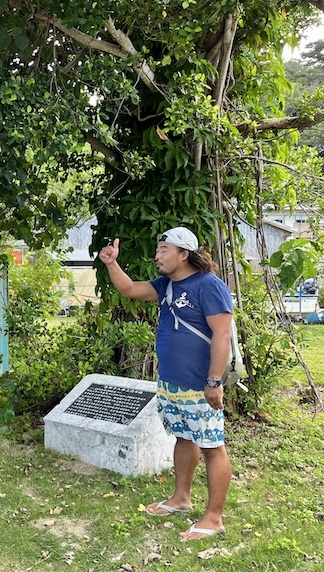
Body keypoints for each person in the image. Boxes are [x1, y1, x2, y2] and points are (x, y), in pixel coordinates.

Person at [98, 227, 234, 542]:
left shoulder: (208, 286)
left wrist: (214, 381)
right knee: (184, 440)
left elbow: (222, 335)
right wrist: (111, 264)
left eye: (164, 250)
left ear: (183, 254)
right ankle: (181, 499)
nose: (158, 256)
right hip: (171, 384)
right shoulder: (166, 285)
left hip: (200, 385)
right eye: (158, 250)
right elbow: (130, 289)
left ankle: (213, 518)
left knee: (213, 447)